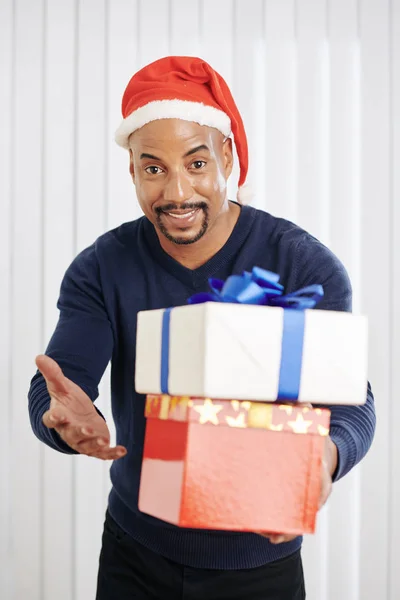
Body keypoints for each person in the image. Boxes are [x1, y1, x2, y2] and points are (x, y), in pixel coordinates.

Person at [28, 56, 376, 600]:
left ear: (228, 157)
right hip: (134, 555)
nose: (176, 193)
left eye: (195, 163)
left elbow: (351, 402)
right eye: (153, 168)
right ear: (133, 171)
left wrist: (323, 459)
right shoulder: (103, 266)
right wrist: (65, 424)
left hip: (261, 565)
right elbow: (59, 389)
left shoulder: (301, 265)